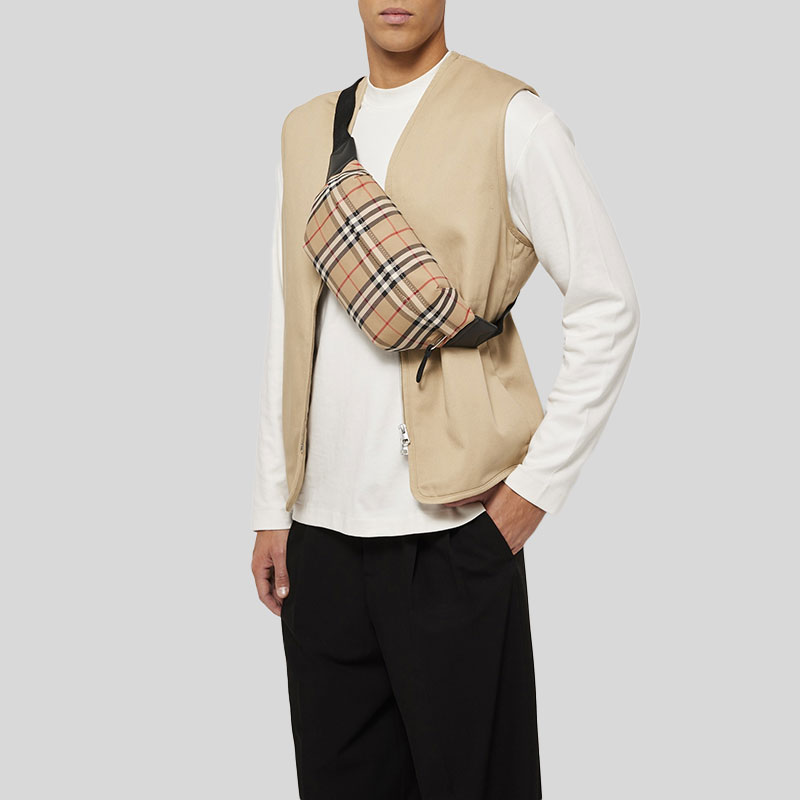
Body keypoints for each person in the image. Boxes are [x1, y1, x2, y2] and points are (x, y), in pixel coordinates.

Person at [250, 2, 640, 798]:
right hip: (320, 546)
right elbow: (289, 321)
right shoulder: (305, 130)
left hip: (454, 536)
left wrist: (530, 496)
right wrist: (272, 504)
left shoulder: (513, 118)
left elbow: (608, 307)